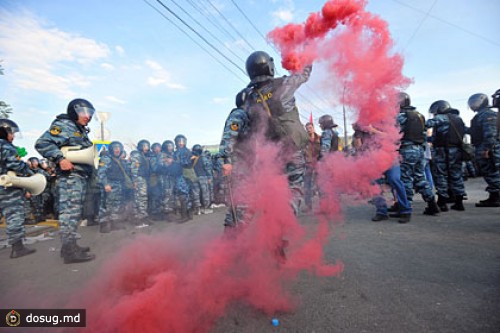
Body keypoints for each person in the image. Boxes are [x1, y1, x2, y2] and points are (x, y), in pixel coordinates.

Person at [219, 49, 311, 258]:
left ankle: (252, 243)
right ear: (269, 66)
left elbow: (230, 135)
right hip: (290, 151)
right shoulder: (284, 85)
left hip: (266, 158)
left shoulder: (248, 99)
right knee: (290, 195)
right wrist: (309, 52)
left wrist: (226, 159)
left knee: (265, 197)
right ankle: (275, 237)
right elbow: (305, 73)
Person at [35, 99, 96, 264]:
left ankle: (70, 245)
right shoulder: (63, 125)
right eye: (84, 112)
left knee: (74, 212)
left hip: (78, 176)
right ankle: (69, 251)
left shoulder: (79, 130)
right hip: (70, 177)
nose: (88, 116)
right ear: (74, 111)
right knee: (69, 212)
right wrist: (60, 158)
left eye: (90, 113)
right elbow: (42, 143)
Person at [396, 92, 440, 216]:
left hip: (407, 150)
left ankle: (405, 207)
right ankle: (432, 204)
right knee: (420, 177)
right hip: (420, 150)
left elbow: (393, 134)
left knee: (406, 179)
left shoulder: (400, 117)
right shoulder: (419, 115)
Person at [0, 119, 37, 258]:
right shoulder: (6, 146)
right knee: (14, 215)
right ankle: (17, 248)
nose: (13, 136)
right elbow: (15, 165)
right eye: (11, 132)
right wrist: (27, 169)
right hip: (8, 187)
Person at [426, 100, 466, 211]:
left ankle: (442, 202)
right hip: (456, 150)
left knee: (441, 175)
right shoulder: (457, 118)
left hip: (443, 151)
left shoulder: (442, 117)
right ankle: (459, 202)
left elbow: (427, 124)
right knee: (456, 176)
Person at [467, 93, 500, 207]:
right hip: (482, 146)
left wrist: (487, 149)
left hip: (489, 147)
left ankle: (496, 197)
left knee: (492, 172)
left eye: (475, 102)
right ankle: (494, 196)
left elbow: (490, 133)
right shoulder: (480, 115)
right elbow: (475, 131)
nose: (472, 105)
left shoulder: (488, 114)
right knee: (488, 172)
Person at [97, 141, 131, 233]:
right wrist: (105, 184)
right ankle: (104, 223)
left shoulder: (120, 160)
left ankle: (114, 221)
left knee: (116, 204)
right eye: (115, 148)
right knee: (105, 204)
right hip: (109, 184)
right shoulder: (106, 158)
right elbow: (101, 172)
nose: (117, 150)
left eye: (119, 148)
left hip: (119, 185)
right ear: (111, 149)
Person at [130, 139, 151, 224]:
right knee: (141, 198)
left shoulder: (143, 155)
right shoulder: (137, 155)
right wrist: (134, 181)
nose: (147, 148)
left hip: (142, 178)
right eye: (144, 146)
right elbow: (134, 169)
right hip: (139, 179)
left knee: (140, 198)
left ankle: (139, 216)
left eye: (147, 146)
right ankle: (141, 217)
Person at [303, 122, 320, 212]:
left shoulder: (320, 138)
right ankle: (308, 205)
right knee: (307, 185)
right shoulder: (303, 140)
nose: (309, 129)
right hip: (308, 163)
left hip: (318, 163)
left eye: (310, 127)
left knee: (320, 184)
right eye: (307, 128)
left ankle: (323, 205)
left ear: (313, 128)